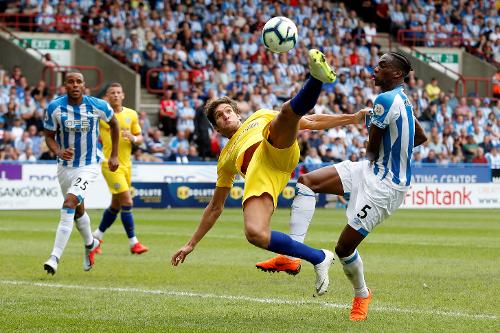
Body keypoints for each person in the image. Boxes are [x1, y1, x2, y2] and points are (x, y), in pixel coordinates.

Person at [171, 49, 368, 296]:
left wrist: (352, 119)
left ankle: (316, 77)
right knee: (255, 233)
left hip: (275, 149)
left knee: (287, 113)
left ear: (237, 113)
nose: (225, 116)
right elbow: (215, 206)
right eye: (219, 117)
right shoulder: (224, 159)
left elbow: (310, 121)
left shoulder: (259, 116)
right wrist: (191, 244)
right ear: (217, 129)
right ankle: (319, 257)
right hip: (261, 178)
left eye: (228, 111)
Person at [256, 52, 428, 320]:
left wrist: (387, 156)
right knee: (307, 182)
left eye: (382, 65)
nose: (375, 68)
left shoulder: (385, 100)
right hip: (370, 170)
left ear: (396, 74)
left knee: (343, 249)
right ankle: (291, 256)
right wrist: (394, 152)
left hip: (384, 187)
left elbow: (371, 150)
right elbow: (421, 136)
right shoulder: (402, 99)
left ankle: (362, 294)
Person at [43, 71, 120, 275]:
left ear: (84, 85)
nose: (75, 85)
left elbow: (114, 124)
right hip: (64, 167)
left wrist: (113, 155)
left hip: (89, 165)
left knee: (69, 203)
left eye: (79, 82)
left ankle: (54, 257)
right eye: (71, 82)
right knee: (77, 210)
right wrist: (59, 151)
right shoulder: (54, 108)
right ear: (65, 86)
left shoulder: (97, 105)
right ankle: (90, 244)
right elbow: (49, 135)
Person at [92, 83, 149, 255]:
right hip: (110, 164)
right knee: (127, 202)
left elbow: (140, 138)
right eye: (112, 93)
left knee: (115, 205)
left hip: (127, 165)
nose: (116, 95)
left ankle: (95, 238)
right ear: (107, 97)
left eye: (118, 92)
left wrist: (133, 137)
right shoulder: (103, 115)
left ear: (123, 95)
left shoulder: (131, 114)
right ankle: (134, 243)